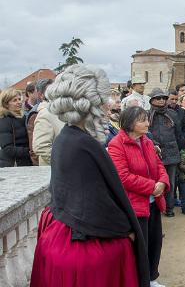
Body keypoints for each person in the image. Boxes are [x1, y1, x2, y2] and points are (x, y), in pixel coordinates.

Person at [31, 64, 149, 287]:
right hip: (85, 245)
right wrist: (124, 230)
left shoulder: (68, 137)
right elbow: (94, 200)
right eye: (104, 98)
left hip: (64, 232)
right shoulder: (81, 143)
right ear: (91, 104)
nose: (108, 105)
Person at [108, 106, 170, 287]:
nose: (147, 123)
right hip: (135, 205)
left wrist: (163, 183)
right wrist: (152, 187)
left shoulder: (147, 141)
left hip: (153, 201)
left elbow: (159, 165)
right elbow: (122, 176)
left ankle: (151, 278)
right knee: (139, 248)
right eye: (143, 120)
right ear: (130, 123)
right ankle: (140, 281)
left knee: (154, 242)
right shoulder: (116, 144)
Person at [148, 88, 181, 218]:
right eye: (158, 98)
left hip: (172, 151)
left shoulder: (172, 114)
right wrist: (154, 144)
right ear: (152, 100)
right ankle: (156, 208)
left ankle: (169, 208)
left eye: (163, 98)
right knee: (154, 182)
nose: (161, 100)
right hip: (154, 153)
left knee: (170, 183)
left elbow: (179, 133)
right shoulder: (147, 115)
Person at [31, 80, 65, 166]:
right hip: (52, 170)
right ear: (42, 95)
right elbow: (41, 146)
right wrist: (63, 162)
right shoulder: (45, 113)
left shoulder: (62, 111)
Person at [0, 88, 32, 167]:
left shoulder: (22, 117)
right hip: (13, 164)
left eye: (19, 99)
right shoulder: (5, 120)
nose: (19, 102)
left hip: (24, 162)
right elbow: (8, 149)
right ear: (6, 104)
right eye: (14, 100)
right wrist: (30, 151)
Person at [26, 79, 54, 165]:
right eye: (50, 90)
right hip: (49, 167)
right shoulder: (36, 113)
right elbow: (37, 148)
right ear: (41, 95)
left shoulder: (57, 110)